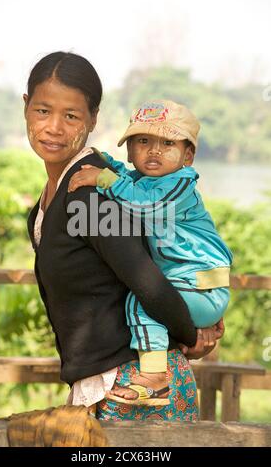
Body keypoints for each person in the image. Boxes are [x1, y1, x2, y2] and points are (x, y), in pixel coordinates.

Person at [24, 51, 223, 421]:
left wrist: (191, 332)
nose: (54, 127)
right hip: (108, 384)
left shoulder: (91, 193)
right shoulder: (48, 202)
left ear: (93, 119)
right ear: (25, 107)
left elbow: (146, 280)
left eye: (71, 116)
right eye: (42, 111)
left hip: (138, 389)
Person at [68, 99, 232, 406]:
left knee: (143, 301)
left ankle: (155, 378)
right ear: (130, 151)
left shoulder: (179, 185)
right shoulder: (143, 182)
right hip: (192, 286)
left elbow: (146, 204)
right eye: (143, 141)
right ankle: (158, 367)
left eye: (168, 143)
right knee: (147, 301)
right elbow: (129, 185)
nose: (154, 150)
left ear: (188, 155)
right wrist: (105, 165)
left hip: (201, 284)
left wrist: (104, 179)